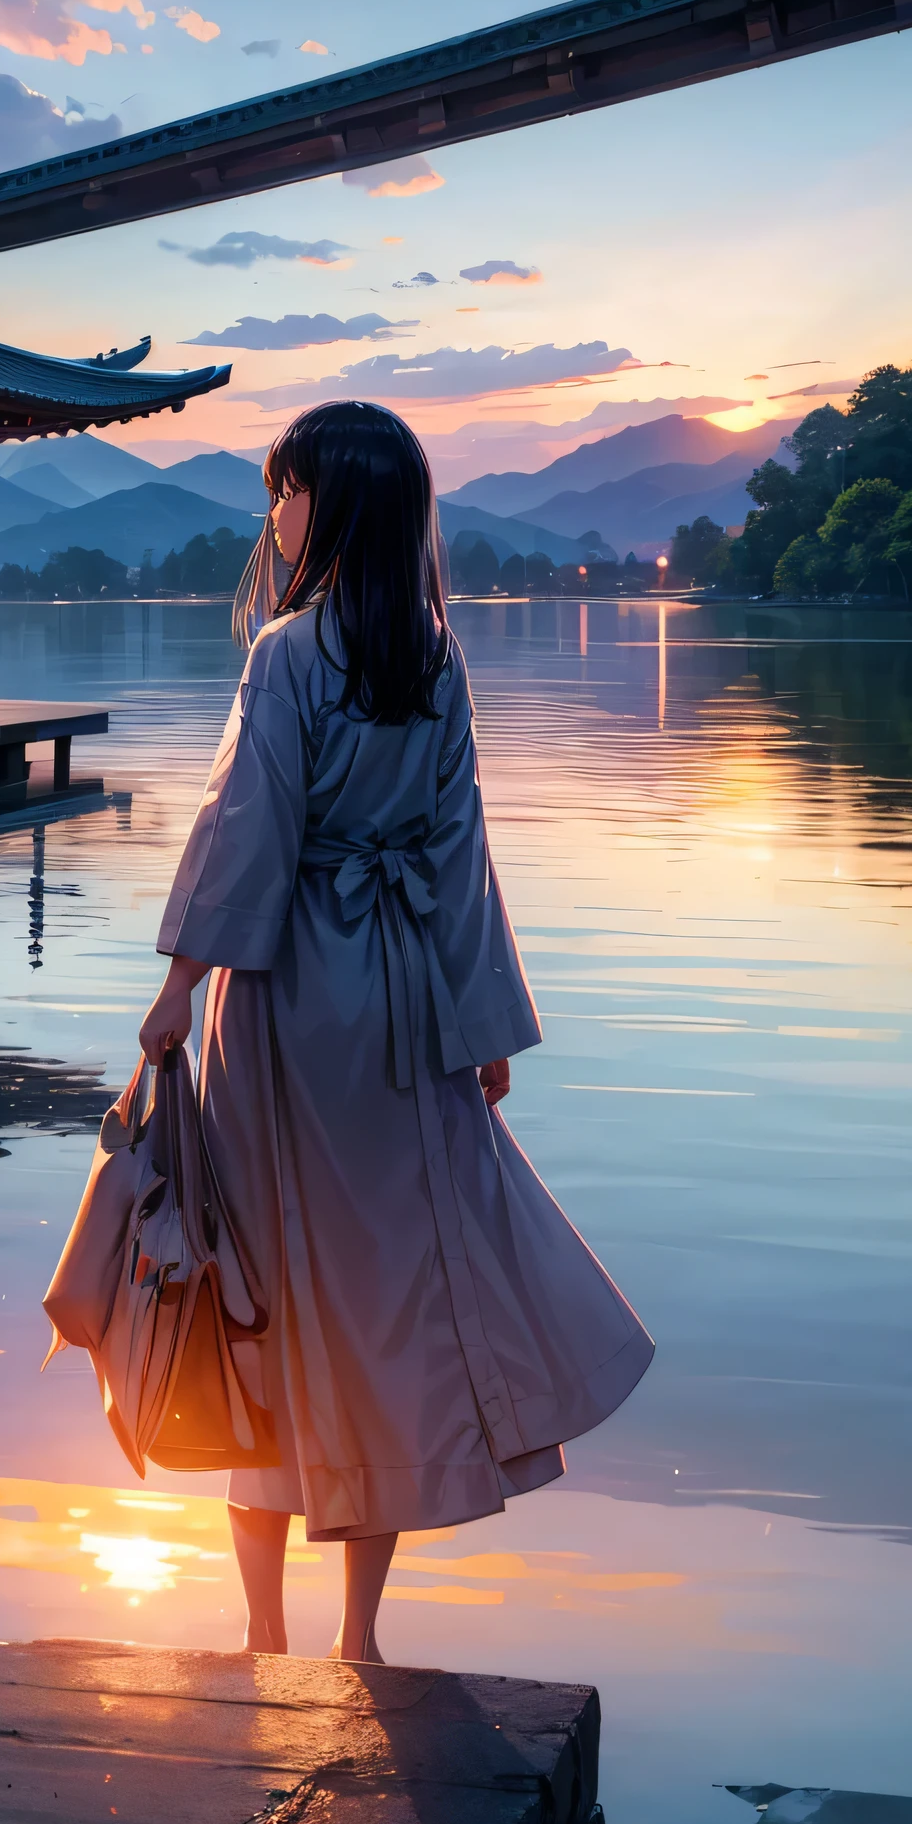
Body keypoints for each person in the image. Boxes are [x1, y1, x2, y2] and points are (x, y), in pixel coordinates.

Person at [140, 401, 652, 1664]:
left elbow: (244, 837)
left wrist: (175, 988)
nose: (274, 512)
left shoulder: (285, 653)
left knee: (255, 1290)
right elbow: (462, 850)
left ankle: (261, 1631)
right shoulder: (435, 654)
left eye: (286, 488)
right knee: (391, 1296)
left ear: (330, 505)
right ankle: (357, 1636)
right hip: (408, 987)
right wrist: (487, 1027)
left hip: (282, 994)